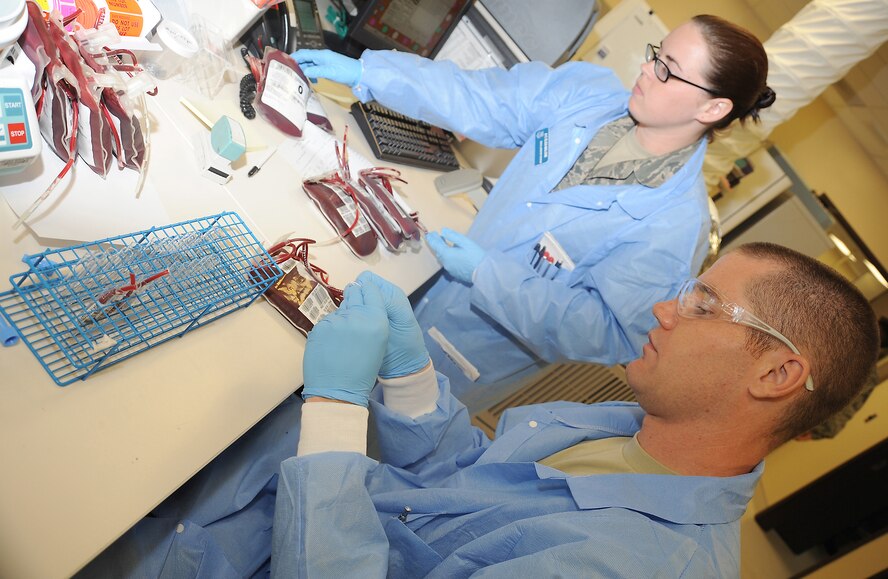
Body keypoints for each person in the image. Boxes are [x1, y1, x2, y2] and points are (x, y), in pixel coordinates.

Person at [76, 243, 879, 577]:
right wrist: (411, 374)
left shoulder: (634, 565)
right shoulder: (631, 427)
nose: (667, 308)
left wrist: (333, 408)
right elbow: (464, 476)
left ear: (777, 372)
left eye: (705, 303)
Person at [291, 15, 777, 413]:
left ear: (713, 108)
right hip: (421, 282)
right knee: (301, 387)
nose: (647, 71)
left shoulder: (672, 225)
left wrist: (488, 275)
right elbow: (481, 97)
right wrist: (369, 74)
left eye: (668, 70)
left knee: (346, 442)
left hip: (463, 348)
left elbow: (609, 331)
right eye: (656, 55)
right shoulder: (589, 94)